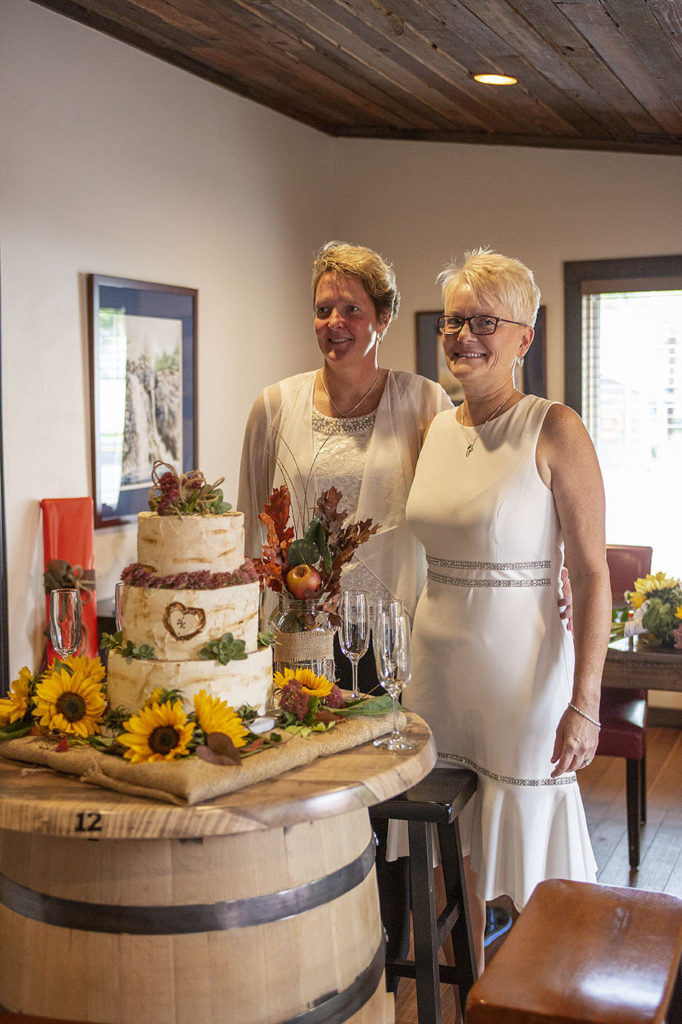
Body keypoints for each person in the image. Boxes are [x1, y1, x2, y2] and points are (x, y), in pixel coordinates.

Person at [402, 248, 611, 966]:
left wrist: (585, 702)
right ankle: (466, 989)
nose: (464, 335)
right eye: (454, 321)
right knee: (445, 854)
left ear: (524, 337)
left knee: (529, 878)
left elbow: (589, 572)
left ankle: (537, 992)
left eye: (484, 321)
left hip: (522, 680)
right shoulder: (433, 429)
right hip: (433, 672)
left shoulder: (555, 428)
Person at [238, 240, 452, 691]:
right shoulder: (274, 406)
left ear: (383, 317)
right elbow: (249, 529)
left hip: (389, 629)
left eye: (352, 308)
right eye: (323, 309)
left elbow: (453, 517)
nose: (335, 322)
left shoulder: (423, 402)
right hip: (298, 629)